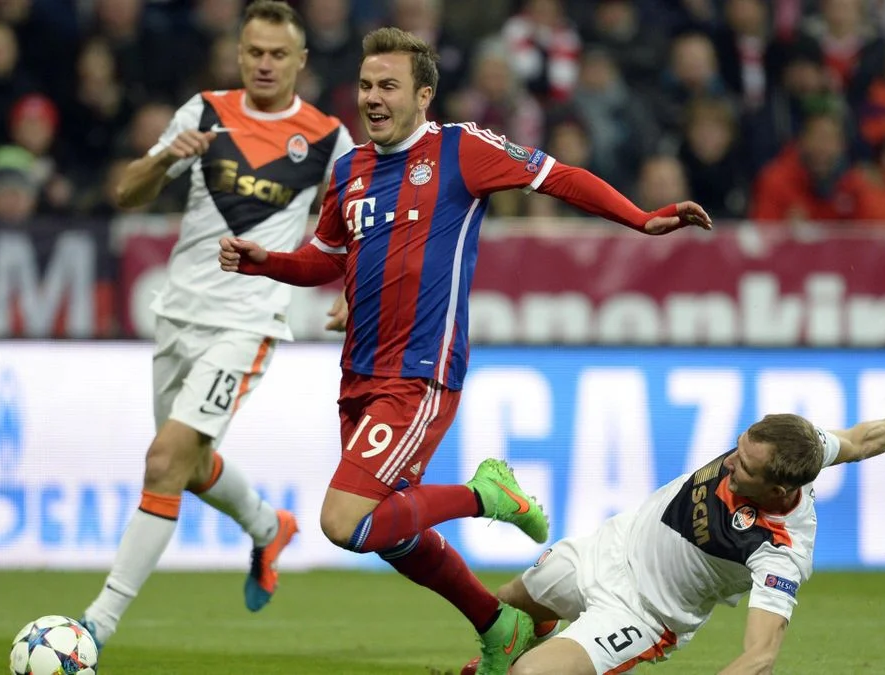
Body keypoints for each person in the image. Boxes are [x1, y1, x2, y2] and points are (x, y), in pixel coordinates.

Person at [217, 26, 712, 675]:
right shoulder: (348, 170)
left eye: (388, 86)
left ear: (423, 95)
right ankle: (498, 624)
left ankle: (486, 493)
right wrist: (268, 263)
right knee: (390, 531)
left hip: (419, 372)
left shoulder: (461, 149)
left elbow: (557, 177)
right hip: (358, 374)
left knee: (346, 522)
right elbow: (326, 258)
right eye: (365, 85)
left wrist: (640, 218)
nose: (373, 98)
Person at [79, 0, 355, 648]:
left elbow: (358, 224)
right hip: (179, 312)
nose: (265, 63)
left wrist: (355, 291)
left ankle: (94, 625)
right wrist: (162, 159)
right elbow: (126, 193)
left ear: (300, 61)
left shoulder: (326, 139)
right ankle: (268, 527)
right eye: (255, 51)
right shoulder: (204, 112)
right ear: (238, 54)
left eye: (278, 54)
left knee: (164, 460)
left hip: (247, 321)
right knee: (190, 462)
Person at [458, 381, 885, 675]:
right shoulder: (797, 444)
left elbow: (761, 653)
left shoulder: (780, 550)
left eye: (746, 467)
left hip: (643, 612)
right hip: (610, 545)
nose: (730, 463)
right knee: (506, 607)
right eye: (740, 447)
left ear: (779, 490)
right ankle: (536, 635)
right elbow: (861, 441)